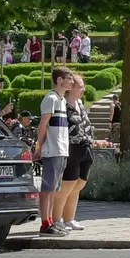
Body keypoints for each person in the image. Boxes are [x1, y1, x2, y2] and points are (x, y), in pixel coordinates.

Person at [35, 66, 75, 237]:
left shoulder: (61, 100)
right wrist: (39, 146)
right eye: (69, 78)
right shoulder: (51, 98)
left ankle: (50, 221)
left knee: (53, 188)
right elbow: (43, 124)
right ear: (59, 80)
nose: (72, 81)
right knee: (47, 188)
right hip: (53, 149)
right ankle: (45, 223)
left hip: (61, 149)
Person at [54, 72, 94, 232]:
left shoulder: (80, 104)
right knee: (67, 185)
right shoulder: (62, 104)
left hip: (86, 147)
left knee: (78, 184)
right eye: (80, 86)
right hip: (71, 148)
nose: (83, 89)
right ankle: (57, 219)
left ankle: (69, 218)